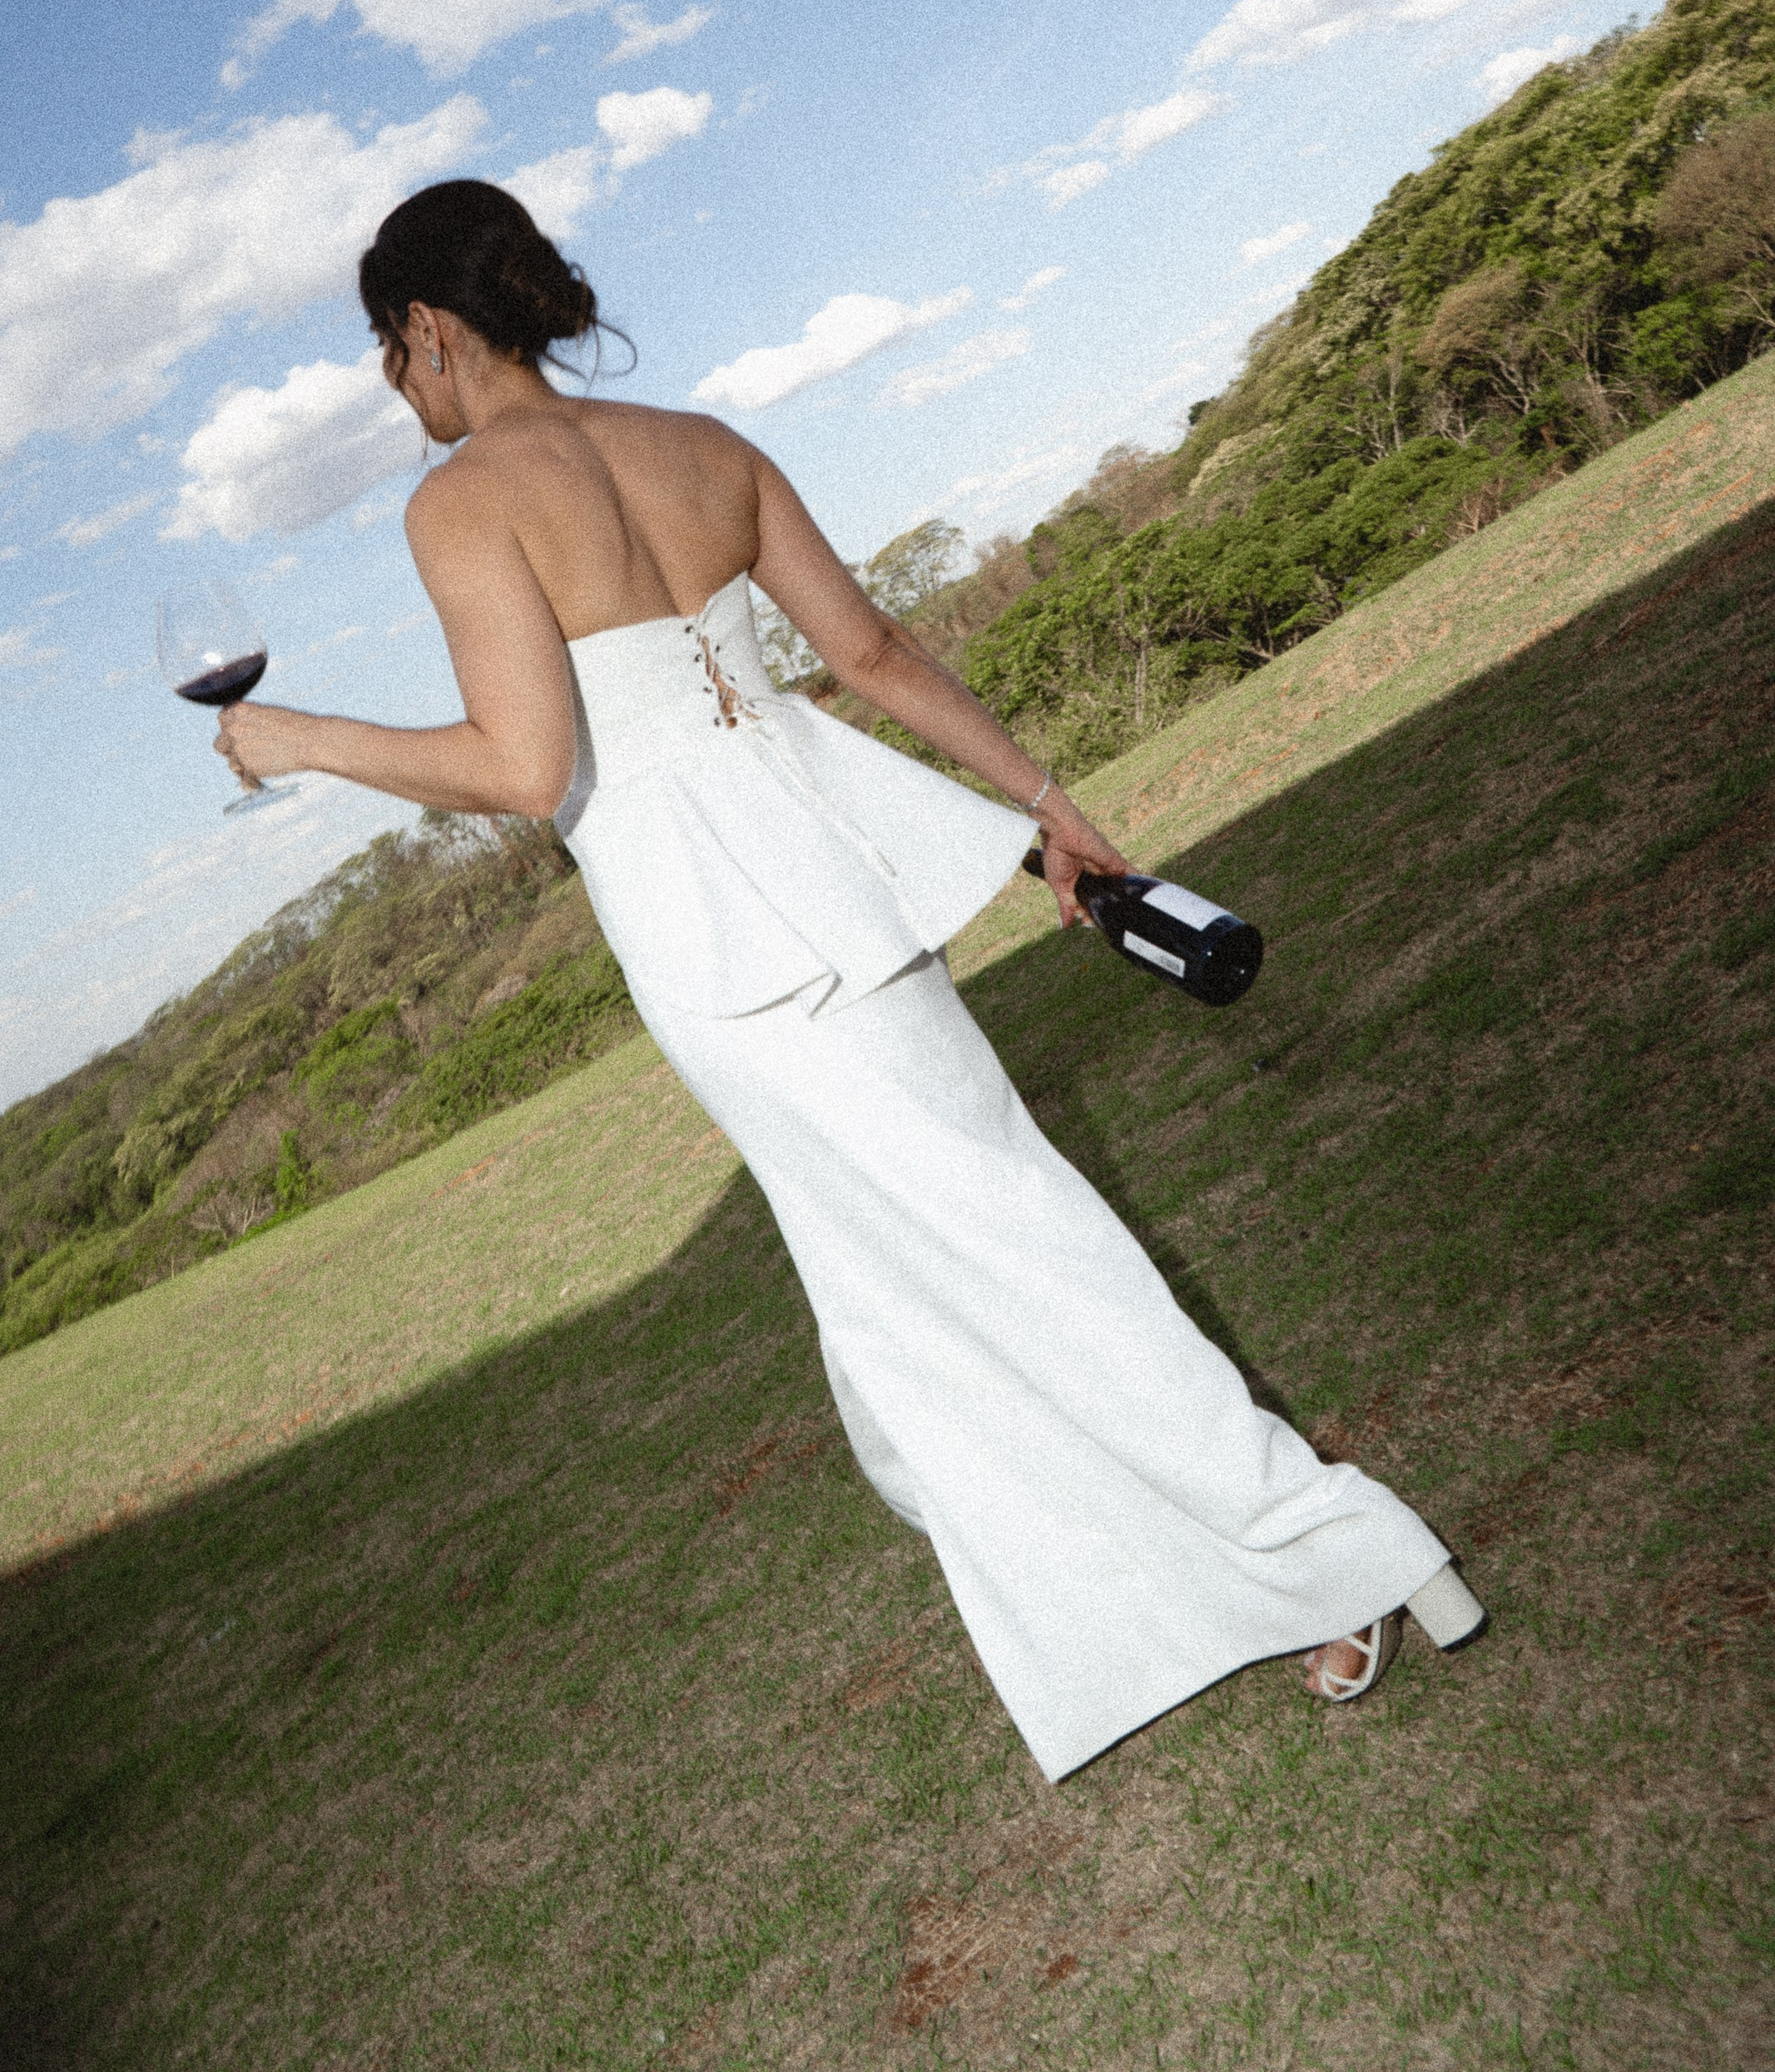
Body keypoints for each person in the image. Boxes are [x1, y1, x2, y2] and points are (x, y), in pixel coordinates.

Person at [219, 180, 1485, 1781]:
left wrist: (302, 740)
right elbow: (873, 655)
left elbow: (530, 767)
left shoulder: (467, 499)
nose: (395, 388)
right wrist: (1048, 809)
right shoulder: (707, 449)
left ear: (428, 328)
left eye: (384, 353)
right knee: (910, 1287)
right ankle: (1165, 1590)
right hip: (841, 888)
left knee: (999, 1247)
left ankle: (1329, 1547)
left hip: (715, 943)